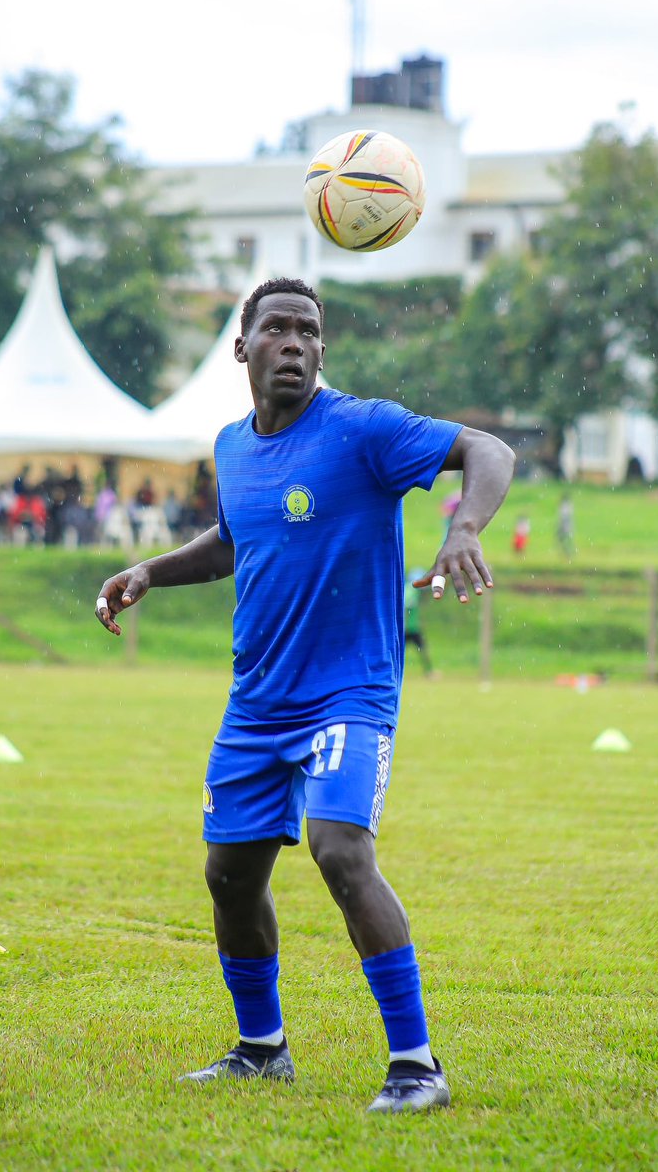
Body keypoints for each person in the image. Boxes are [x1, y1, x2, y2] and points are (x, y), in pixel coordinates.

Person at [95, 277, 515, 1114]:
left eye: (308, 331)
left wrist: (462, 525)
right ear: (241, 347)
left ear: (321, 350)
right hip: (257, 700)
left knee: (339, 851)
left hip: (348, 694)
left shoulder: (363, 429)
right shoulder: (232, 445)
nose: (294, 342)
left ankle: (416, 1066)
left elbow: (489, 451)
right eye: (277, 328)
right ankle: (261, 1051)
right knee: (228, 877)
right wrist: (150, 569)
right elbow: (231, 540)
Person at [403, 568, 432, 673]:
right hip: (409, 628)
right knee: (423, 649)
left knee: (400, 651)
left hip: (410, 627)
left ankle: (428, 671)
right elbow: (406, 608)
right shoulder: (411, 591)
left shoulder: (408, 589)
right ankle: (429, 672)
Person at [556, 493, 574, 558]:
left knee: (564, 539)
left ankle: (568, 553)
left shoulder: (565, 506)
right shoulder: (567, 505)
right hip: (565, 525)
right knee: (564, 540)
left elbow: (564, 517)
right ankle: (568, 553)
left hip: (565, 525)